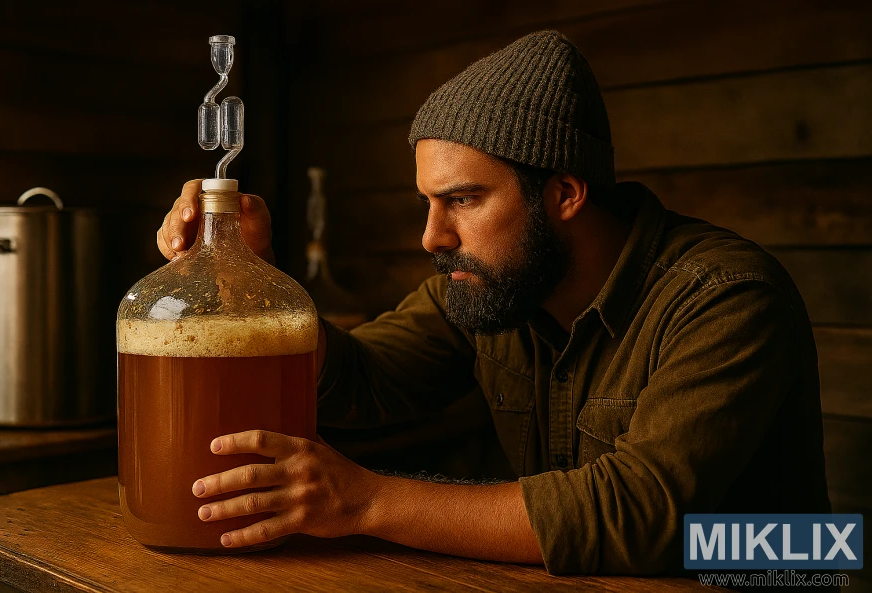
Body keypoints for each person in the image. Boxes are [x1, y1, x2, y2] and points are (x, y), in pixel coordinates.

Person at [156, 31, 830, 575]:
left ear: (565, 192)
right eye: (427, 201)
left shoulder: (727, 299)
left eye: (463, 199)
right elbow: (363, 378)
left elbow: (641, 513)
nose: (431, 235)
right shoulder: (496, 288)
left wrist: (367, 500)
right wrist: (256, 276)